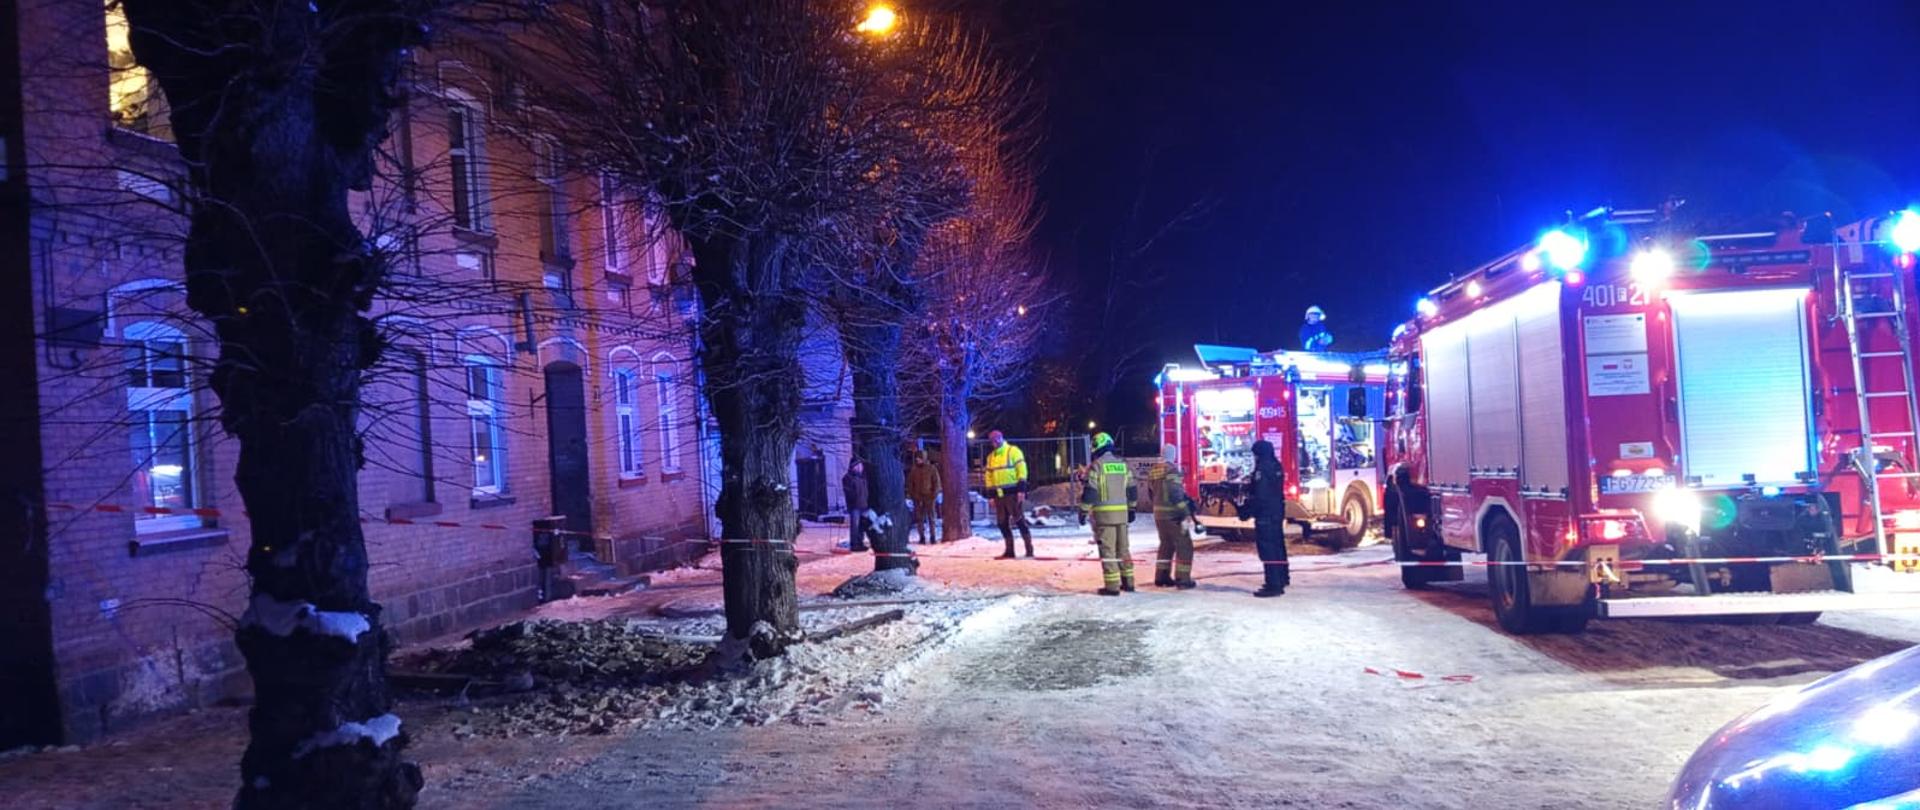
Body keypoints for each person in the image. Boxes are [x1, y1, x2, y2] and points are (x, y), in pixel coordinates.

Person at [1082, 432, 1137, 595]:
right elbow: (1132, 490)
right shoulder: (1123, 465)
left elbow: (1090, 491)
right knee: (1124, 549)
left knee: (1108, 551)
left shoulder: (1096, 466)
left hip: (1104, 518)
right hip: (1122, 516)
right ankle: (1129, 582)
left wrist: (1083, 510)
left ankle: (1112, 587)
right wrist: (1132, 508)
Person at [1145, 445, 1200, 589]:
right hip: (1174, 516)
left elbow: (1150, 493)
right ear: (1172, 455)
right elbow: (1176, 494)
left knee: (1166, 545)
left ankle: (1161, 577)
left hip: (1159, 515)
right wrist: (1186, 512)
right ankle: (1183, 579)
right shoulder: (1172, 470)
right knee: (1185, 546)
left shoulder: (1154, 470)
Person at [1242, 439, 1290, 597]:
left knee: (1267, 548)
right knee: (1277, 546)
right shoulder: (1276, 465)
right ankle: (1282, 577)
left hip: (1266, 513)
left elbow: (1261, 495)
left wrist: (1247, 510)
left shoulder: (1262, 469)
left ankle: (1273, 584)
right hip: (1277, 511)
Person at [983, 430, 1034, 558]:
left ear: (1001, 438)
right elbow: (988, 477)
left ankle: (1029, 549)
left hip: (1012, 493)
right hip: (999, 495)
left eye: (996, 439)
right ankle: (1009, 550)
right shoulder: (990, 457)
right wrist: (990, 495)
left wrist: (1021, 490)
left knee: (1019, 520)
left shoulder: (1013, 451)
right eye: (992, 440)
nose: (994, 442)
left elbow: (1022, 470)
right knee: (1002, 523)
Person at [906, 449, 943, 544]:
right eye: (917, 458)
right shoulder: (914, 470)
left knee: (931, 518)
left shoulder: (931, 468)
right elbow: (910, 484)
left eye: (920, 458)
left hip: (929, 497)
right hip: (918, 498)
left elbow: (937, 483)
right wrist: (913, 495)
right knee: (920, 518)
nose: (918, 460)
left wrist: (933, 495)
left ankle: (933, 536)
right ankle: (922, 537)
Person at [841, 458, 869, 553]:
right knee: (855, 526)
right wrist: (853, 501)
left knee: (861, 526)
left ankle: (860, 543)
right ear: (853, 467)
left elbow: (865, 491)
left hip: (863, 505)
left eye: (861, 465)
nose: (860, 467)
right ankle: (854, 544)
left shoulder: (862, 477)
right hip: (855, 506)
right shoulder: (848, 478)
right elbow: (849, 492)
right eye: (858, 465)